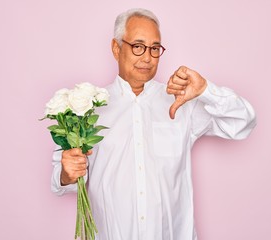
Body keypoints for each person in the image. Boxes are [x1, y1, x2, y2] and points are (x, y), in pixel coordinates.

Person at [51, 8, 256, 240]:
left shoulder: (180, 101)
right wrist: (67, 174)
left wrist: (206, 90)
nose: (147, 57)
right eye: (138, 46)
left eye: (155, 48)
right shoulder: (89, 108)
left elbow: (244, 122)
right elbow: (62, 179)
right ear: (116, 49)